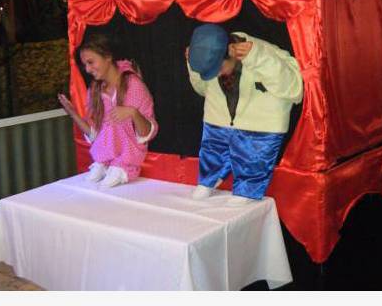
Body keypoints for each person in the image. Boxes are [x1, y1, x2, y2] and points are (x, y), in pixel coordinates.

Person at [186, 23, 303, 204]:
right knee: (213, 149)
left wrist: (257, 58)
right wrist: (194, 68)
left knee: (254, 157)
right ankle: (208, 180)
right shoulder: (211, 61)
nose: (217, 75)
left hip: (261, 124)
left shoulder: (265, 51)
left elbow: (295, 90)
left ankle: (246, 191)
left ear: (231, 52)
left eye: (219, 69)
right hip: (218, 119)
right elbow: (202, 89)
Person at [58, 33, 158, 187]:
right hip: (104, 161)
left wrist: (133, 112)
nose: (87, 69)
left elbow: (146, 133)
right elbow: (96, 135)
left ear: (108, 57)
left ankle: (121, 167)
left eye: (91, 62)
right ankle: (103, 163)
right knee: (91, 186)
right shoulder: (95, 90)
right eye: (85, 65)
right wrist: (73, 114)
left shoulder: (132, 85)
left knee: (104, 188)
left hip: (126, 161)